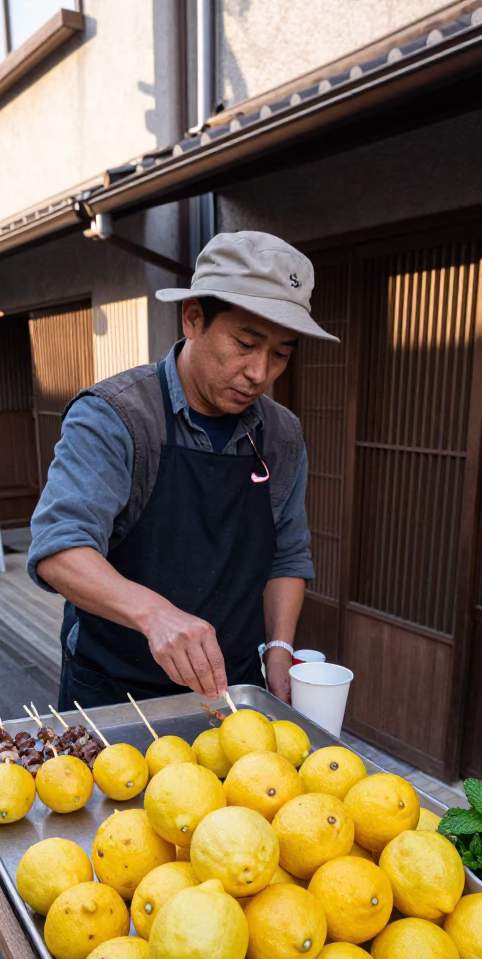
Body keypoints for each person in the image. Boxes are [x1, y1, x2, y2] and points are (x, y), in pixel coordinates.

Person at [27, 230, 338, 711]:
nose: (260, 372)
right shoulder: (117, 416)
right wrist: (155, 614)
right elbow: (59, 548)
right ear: (193, 318)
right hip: (114, 690)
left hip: (229, 692)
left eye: (280, 353)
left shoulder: (281, 434)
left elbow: (288, 555)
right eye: (245, 343)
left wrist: (279, 646)